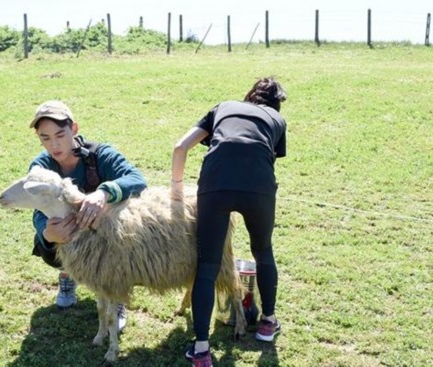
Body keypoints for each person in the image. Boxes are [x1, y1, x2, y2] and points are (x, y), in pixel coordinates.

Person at [171, 77, 287, 366]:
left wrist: (176, 188)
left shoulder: (223, 107)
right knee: (263, 252)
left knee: (207, 266)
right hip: (258, 186)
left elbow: (180, 147)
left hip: (215, 184)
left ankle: (200, 349)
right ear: (276, 104)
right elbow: (267, 155)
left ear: (249, 97)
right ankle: (267, 324)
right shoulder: (276, 119)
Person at [28, 100, 147, 331]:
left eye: (60, 134)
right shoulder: (41, 166)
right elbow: (37, 206)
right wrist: (47, 231)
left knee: (127, 241)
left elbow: (137, 180)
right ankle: (67, 275)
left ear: (74, 129)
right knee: (48, 244)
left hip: (106, 234)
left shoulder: (99, 154)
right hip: (70, 236)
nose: (54, 145)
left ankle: (116, 297)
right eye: (45, 138)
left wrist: (104, 193)